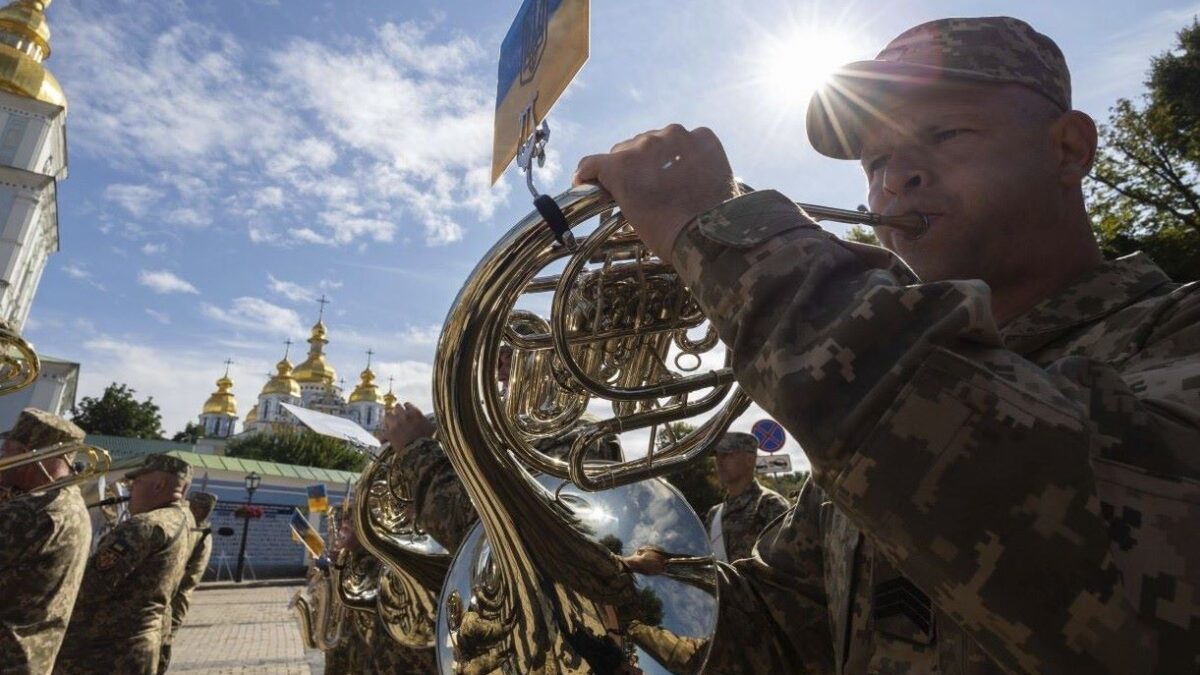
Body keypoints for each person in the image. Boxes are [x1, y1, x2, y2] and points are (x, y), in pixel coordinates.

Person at [579, 16, 1200, 674]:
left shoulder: (1174, 335)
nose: (895, 177)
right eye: (875, 161)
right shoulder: (855, 445)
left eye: (943, 134)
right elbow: (779, 628)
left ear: (1069, 149)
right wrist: (588, 571)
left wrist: (730, 240)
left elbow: (1099, 550)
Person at [55, 454, 195, 675]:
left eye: (137, 482)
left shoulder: (144, 526)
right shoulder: (183, 520)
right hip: (141, 647)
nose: (131, 490)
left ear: (159, 485)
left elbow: (88, 587)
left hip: (105, 652)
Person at [0, 409, 90, 675]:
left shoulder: (29, 512)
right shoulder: (72, 504)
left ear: (35, 456)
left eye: (8, 451)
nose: (2, 458)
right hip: (30, 659)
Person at [157, 491, 217, 675]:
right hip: (167, 596)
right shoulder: (189, 528)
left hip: (176, 599)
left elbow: (191, 577)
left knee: (163, 643)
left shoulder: (203, 535)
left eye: (199, 508)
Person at [704, 432, 789, 563]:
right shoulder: (714, 514)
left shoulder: (770, 505)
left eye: (727, 454)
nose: (719, 461)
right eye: (717, 456)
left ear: (751, 459)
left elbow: (786, 565)